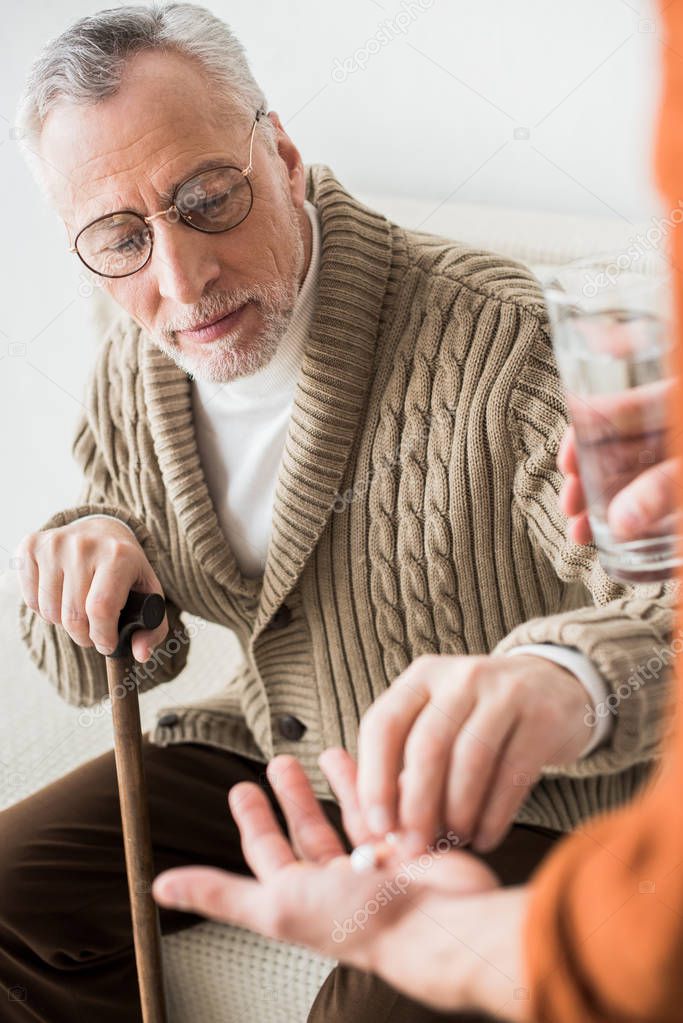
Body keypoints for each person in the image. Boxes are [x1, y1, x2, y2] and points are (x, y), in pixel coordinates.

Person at [4, 3, 675, 1020]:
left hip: (520, 801)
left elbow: (663, 609)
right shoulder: (135, 365)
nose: (181, 281)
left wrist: (560, 678)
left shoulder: (505, 343)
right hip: (276, 756)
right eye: (120, 238)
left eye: (207, 199)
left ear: (278, 152)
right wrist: (92, 547)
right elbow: (99, 660)